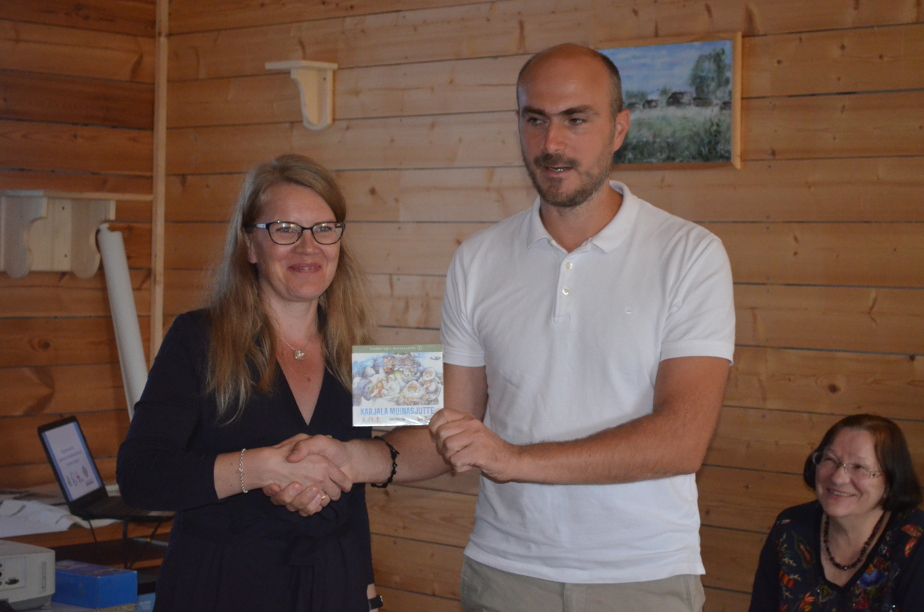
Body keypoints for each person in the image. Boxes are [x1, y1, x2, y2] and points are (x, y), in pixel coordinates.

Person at [268, 43, 736, 611]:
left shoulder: (689, 254)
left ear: (619, 128)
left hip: (641, 576)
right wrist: (349, 460)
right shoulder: (479, 259)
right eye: (535, 120)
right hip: (504, 572)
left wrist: (514, 460)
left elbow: (682, 440)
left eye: (576, 120)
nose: (551, 143)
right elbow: (454, 428)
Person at [116, 154, 384, 612]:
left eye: (324, 228)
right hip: (221, 584)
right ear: (250, 246)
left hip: (331, 585)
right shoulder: (196, 336)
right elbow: (139, 476)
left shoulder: (362, 345)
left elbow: (357, 489)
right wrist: (261, 467)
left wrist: (368, 591)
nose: (307, 247)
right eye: (284, 229)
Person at [748, 414, 924, 611]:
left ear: (891, 480)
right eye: (830, 460)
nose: (838, 478)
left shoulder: (916, 542)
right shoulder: (790, 527)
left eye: (859, 467)